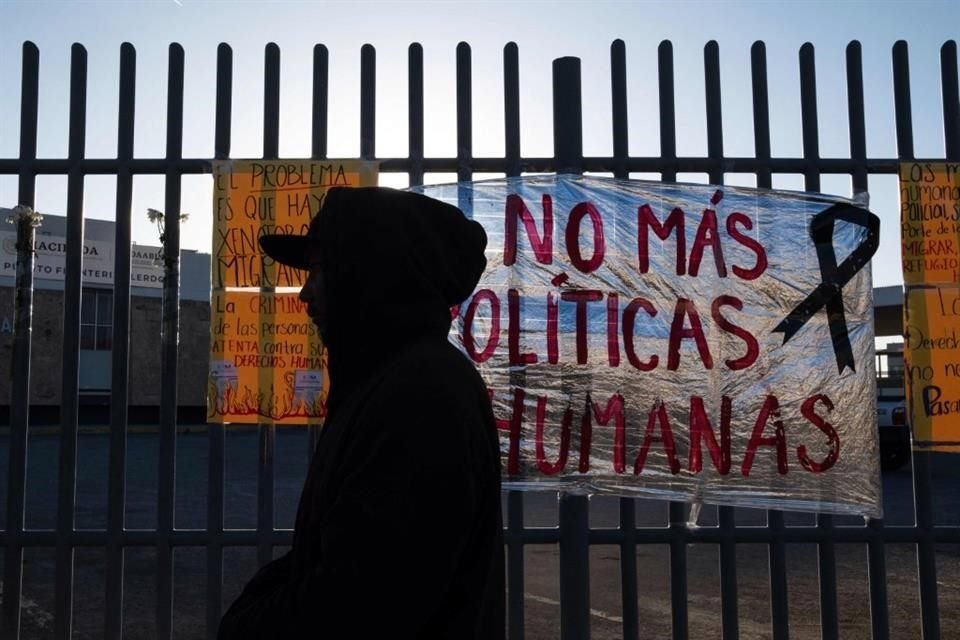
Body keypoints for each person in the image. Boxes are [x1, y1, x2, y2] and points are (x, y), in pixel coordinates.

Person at [218, 186, 505, 639]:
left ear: (368, 272)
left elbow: (350, 608)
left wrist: (244, 622)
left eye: (317, 270)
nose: (304, 293)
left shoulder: (420, 398)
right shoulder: (391, 380)